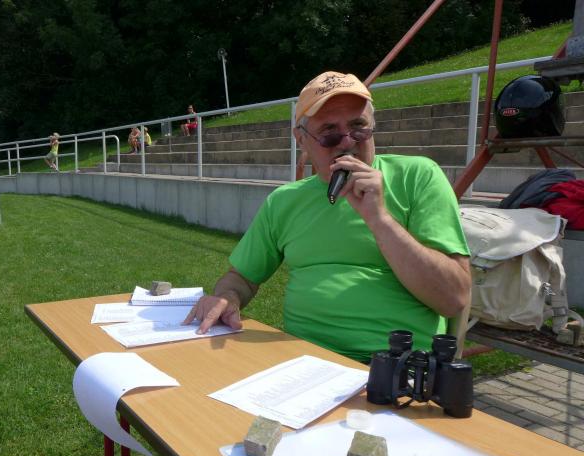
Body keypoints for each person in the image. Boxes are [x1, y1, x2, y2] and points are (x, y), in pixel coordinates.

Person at [183, 71, 471, 362]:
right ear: (301, 139)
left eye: (358, 127)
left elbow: (453, 299)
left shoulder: (417, 177)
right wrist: (226, 297)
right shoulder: (284, 201)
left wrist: (380, 220)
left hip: (396, 366)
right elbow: (242, 278)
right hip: (304, 360)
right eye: (329, 131)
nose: (346, 142)